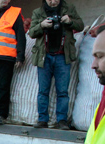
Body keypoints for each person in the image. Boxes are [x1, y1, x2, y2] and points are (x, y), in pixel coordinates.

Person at [28, 0, 83, 130]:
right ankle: (42, 119)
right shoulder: (38, 12)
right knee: (43, 90)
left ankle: (62, 120)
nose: (53, 2)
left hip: (62, 56)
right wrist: (41, 25)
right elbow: (31, 33)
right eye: (50, 0)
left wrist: (70, 22)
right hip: (44, 56)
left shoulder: (69, 8)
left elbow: (80, 25)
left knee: (63, 91)